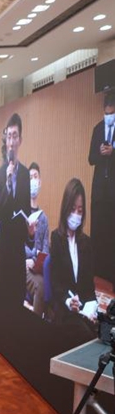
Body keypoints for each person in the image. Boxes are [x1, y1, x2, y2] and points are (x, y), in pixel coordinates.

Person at [50, 179, 97, 327]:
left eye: (80, 210)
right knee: (85, 334)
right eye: (73, 208)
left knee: (104, 332)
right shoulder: (56, 238)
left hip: (84, 312)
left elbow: (89, 287)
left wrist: (92, 307)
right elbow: (56, 283)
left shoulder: (86, 242)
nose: (76, 214)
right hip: (65, 313)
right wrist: (69, 301)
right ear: (65, 208)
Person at [0, 113, 30, 303]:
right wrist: (8, 186)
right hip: (4, 248)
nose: (11, 141)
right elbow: (0, 214)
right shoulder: (1, 174)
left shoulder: (25, 174)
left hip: (18, 250)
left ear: (20, 140)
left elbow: (27, 211)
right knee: (3, 301)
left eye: (14, 136)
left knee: (17, 299)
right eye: (8, 136)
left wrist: (30, 232)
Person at [89, 92, 115, 290]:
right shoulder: (98, 129)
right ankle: (97, 274)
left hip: (112, 191)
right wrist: (100, 153)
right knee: (98, 233)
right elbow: (90, 158)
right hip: (99, 191)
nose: (109, 118)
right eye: (106, 114)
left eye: (112, 115)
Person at [25, 163, 50, 317]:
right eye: (30, 178)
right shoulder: (21, 212)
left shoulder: (43, 217)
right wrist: (32, 256)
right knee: (40, 286)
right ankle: (34, 325)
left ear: (40, 182)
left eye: (35, 177)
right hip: (23, 265)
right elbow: (19, 245)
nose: (33, 181)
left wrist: (37, 258)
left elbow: (46, 248)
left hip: (38, 266)